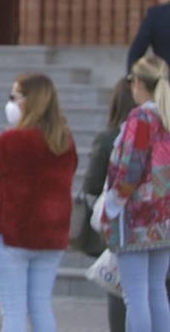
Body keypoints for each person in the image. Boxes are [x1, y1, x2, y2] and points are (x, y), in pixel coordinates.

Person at [0, 73, 77, 332]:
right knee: (41, 304)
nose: (11, 102)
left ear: (27, 101)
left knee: (13, 311)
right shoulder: (64, 141)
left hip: (13, 234)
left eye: (15, 96)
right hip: (52, 235)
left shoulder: (11, 140)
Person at [103, 54, 170, 332]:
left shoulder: (141, 116)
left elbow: (129, 169)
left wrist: (112, 204)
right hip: (164, 217)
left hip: (135, 217)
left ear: (139, 82)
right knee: (156, 290)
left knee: (135, 295)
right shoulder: (165, 115)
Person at [84, 77, 138, 332]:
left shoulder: (110, 137)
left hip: (122, 231)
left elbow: (92, 185)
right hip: (158, 228)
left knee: (122, 297)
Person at [128, 1, 170, 70]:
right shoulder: (156, 15)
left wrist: (131, 77)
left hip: (164, 76)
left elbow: (136, 52)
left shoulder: (156, 15)